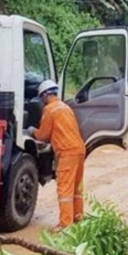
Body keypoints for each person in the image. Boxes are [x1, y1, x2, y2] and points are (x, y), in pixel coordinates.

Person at [25, 80, 86, 231]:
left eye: (41, 97)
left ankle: (65, 225)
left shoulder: (50, 110)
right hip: (79, 150)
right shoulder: (65, 107)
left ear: (45, 95)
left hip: (67, 152)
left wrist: (31, 131)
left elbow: (43, 135)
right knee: (76, 187)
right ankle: (78, 218)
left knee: (65, 188)